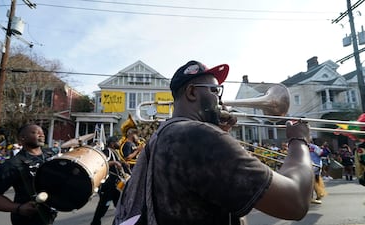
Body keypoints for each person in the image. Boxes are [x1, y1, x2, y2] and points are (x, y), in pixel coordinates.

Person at [114, 60, 314, 225]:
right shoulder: (199, 136)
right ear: (192, 92)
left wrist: (219, 133)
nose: (221, 100)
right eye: (215, 91)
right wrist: (299, 140)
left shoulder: (162, 135)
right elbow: (295, 202)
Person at [0, 124, 57, 225]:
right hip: (27, 220)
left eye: (42, 133)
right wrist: (18, 208)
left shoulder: (50, 155)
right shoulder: (13, 164)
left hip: (49, 216)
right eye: (35, 132)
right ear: (22, 138)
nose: (41, 135)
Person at [91, 136, 130, 225]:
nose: (119, 144)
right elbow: (102, 163)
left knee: (120, 204)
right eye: (117, 142)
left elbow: (118, 163)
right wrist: (115, 162)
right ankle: (95, 223)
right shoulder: (106, 151)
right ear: (112, 144)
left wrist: (123, 164)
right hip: (108, 184)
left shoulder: (114, 152)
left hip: (114, 185)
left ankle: (121, 221)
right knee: (103, 206)